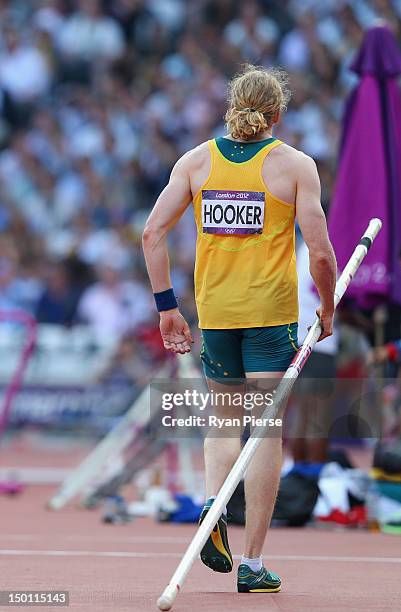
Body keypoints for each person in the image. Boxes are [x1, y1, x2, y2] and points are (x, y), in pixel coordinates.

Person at [142, 65, 336, 595]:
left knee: (224, 420)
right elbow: (320, 252)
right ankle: (251, 563)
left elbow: (153, 233)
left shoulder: (196, 161)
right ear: (278, 114)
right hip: (270, 316)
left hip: (217, 314)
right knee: (266, 429)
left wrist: (167, 308)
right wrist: (328, 307)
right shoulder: (295, 166)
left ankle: (213, 507)